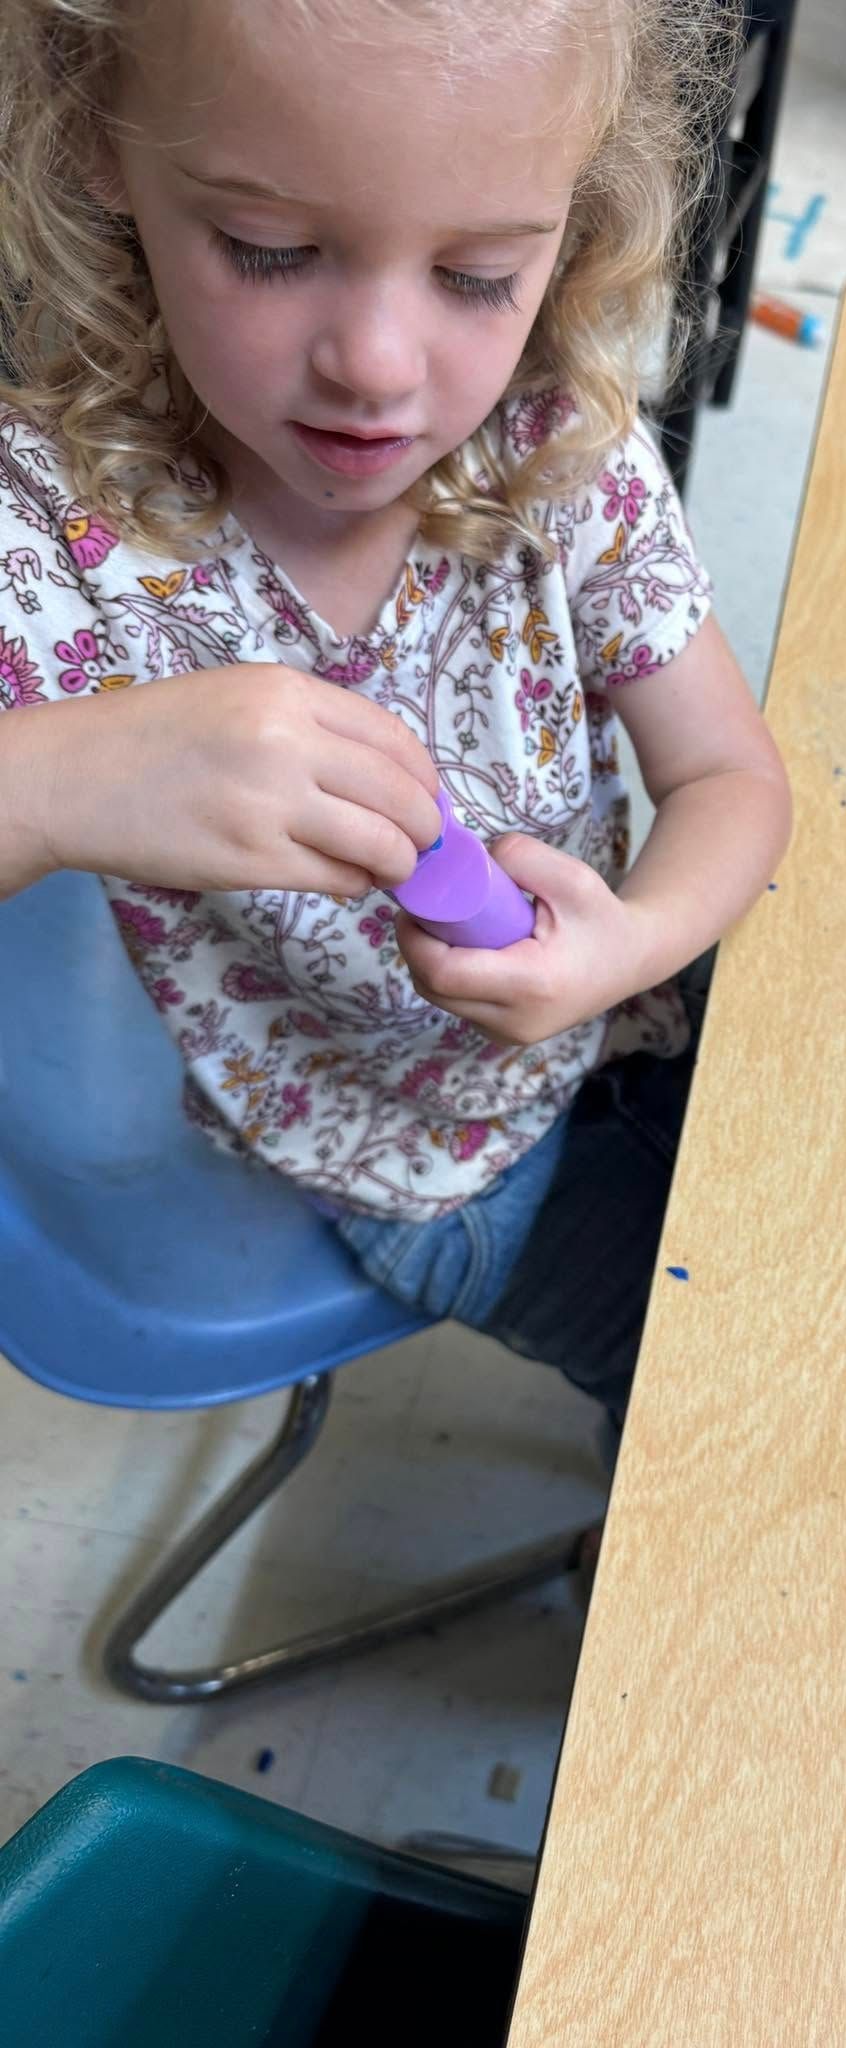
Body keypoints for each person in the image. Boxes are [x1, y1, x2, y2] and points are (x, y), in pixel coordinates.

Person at [0, 0, 791, 1435]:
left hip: (636, 1014)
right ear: (102, 132)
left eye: (480, 275)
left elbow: (732, 774)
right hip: (421, 1158)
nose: (374, 362)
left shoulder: (558, 447)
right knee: (723, 1390)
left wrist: (633, 943)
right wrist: (45, 783)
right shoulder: (47, 540)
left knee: (824, 1209)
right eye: (273, 250)